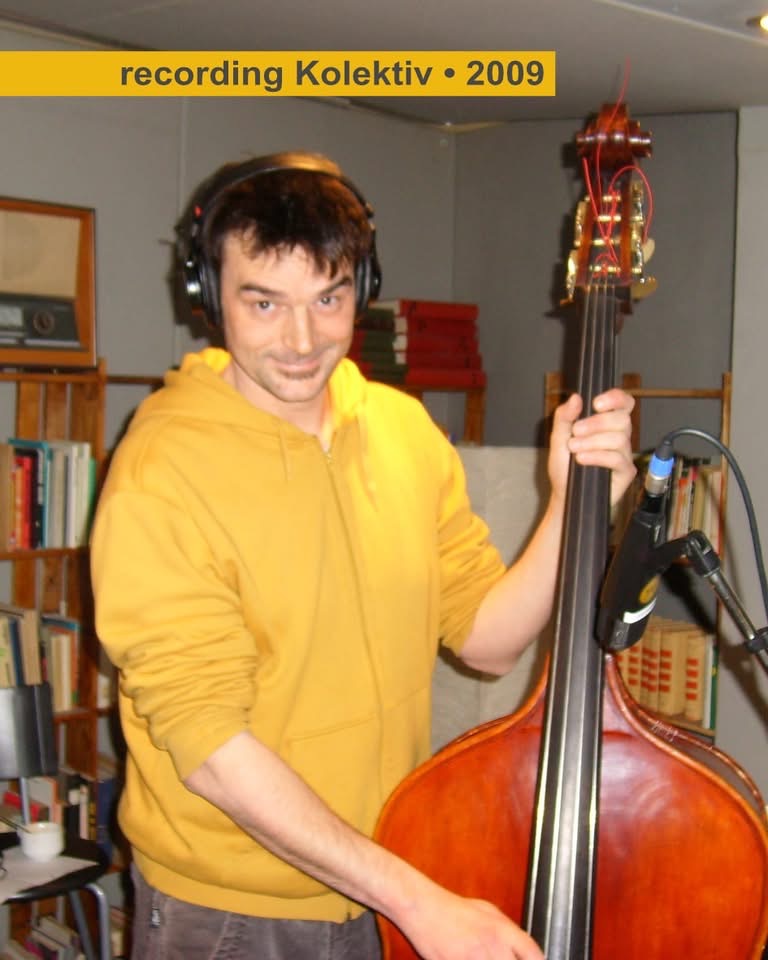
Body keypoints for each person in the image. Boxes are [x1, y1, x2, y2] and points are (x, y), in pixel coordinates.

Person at [90, 151, 636, 960]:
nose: (302, 340)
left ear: (363, 289)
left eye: (330, 298)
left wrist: (571, 501)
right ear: (207, 296)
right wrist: (417, 900)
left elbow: (489, 640)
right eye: (264, 302)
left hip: (384, 875)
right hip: (236, 913)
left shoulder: (401, 429)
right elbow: (209, 748)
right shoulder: (161, 471)